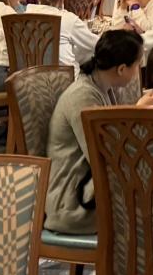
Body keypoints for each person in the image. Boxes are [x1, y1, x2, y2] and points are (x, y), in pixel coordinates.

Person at [45, 29, 146, 236]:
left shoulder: (101, 87)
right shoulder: (83, 97)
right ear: (121, 69)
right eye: (137, 65)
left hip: (88, 188)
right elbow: (104, 158)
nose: (138, 71)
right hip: (73, 204)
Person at [26, 0, 99, 66]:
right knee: (89, 49)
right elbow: (96, 44)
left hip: (29, 71)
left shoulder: (24, 15)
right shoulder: (68, 19)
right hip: (62, 73)